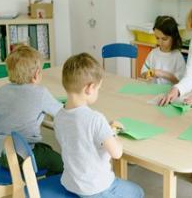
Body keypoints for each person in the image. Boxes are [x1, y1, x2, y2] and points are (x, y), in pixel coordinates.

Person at [54, 53, 144, 198]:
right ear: (89, 88)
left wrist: (104, 130)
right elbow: (117, 153)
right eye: (98, 89)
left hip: (71, 183)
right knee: (137, 192)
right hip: (96, 188)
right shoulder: (95, 119)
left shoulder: (59, 116)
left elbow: (81, 137)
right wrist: (113, 133)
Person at [0, 45, 63, 176]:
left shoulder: (1, 91)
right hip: (22, 157)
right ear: (37, 74)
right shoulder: (40, 93)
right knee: (60, 162)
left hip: (2, 155)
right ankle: (43, 189)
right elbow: (62, 112)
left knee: (46, 149)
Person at [140, 15, 186, 84]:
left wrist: (162, 74)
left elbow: (180, 82)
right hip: (154, 92)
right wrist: (149, 74)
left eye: (164, 39)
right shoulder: (153, 53)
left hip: (171, 93)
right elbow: (143, 74)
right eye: (157, 38)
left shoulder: (177, 57)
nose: (159, 42)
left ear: (174, 37)